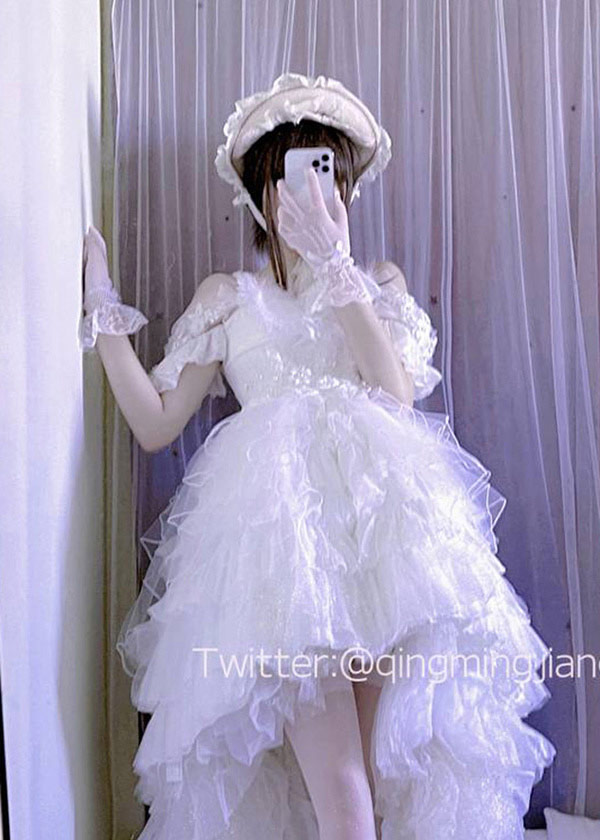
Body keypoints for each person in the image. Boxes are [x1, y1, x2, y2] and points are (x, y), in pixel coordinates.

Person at [81, 72, 556, 840]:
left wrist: (338, 268)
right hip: (284, 559)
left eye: (327, 172)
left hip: (383, 555)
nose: (311, 191)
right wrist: (102, 313)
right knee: (341, 795)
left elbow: (395, 392)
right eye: (291, 174)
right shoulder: (229, 296)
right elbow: (156, 423)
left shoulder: (376, 285)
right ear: (259, 194)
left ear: (347, 188)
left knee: (373, 784)